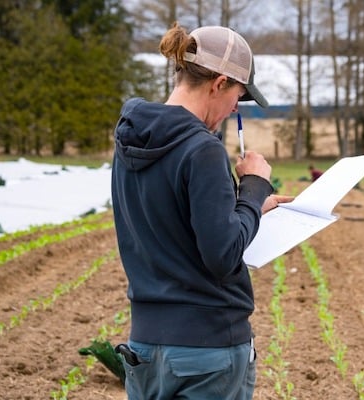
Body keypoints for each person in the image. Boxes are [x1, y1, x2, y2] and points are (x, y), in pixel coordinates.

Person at [111, 23, 292, 400]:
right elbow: (222, 254)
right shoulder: (202, 149)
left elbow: (173, 223)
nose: (232, 111)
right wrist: (255, 185)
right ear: (218, 83)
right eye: (237, 98)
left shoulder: (129, 140)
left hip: (145, 348)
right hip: (206, 352)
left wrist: (251, 208)